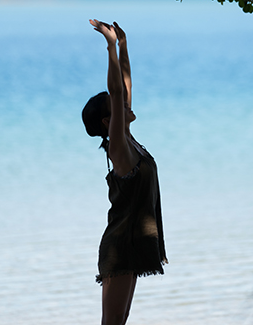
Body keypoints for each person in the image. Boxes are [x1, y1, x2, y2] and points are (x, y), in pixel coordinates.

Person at [81, 19, 167, 325]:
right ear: (108, 121)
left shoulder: (129, 140)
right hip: (120, 245)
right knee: (113, 321)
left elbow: (124, 86)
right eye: (116, 108)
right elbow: (116, 92)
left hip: (132, 242)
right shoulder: (118, 147)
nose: (125, 105)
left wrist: (125, 46)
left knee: (121, 318)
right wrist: (110, 46)